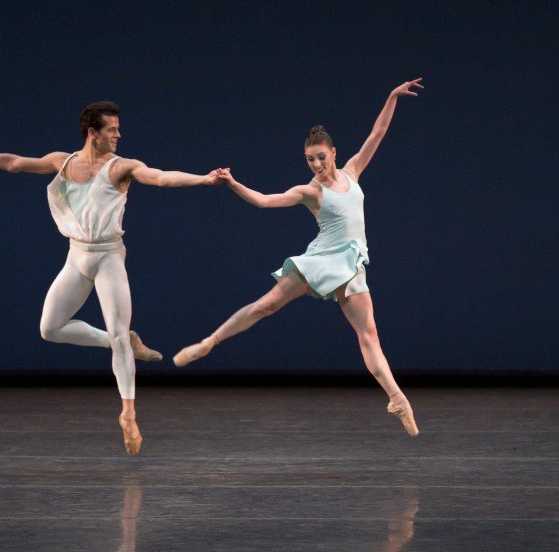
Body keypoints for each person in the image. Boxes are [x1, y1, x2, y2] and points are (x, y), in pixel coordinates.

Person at [0, 101, 219, 455]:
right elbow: (13, 163)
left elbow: (160, 177)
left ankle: (128, 415)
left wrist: (204, 178)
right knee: (50, 328)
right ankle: (124, 342)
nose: (118, 135)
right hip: (77, 256)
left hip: (108, 257)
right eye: (111, 130)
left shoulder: (121, 168)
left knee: (117, 332)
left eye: (118, 129)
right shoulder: (63, 161)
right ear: (93, 133)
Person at [173, 79, 424, 437]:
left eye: (321, 157)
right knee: (266, 305)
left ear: (334, 153)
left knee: (369, 334)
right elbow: (262, 201)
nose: (317, 165)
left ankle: (397, 397)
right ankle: (208, 343)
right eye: (310, 160)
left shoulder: (352, 172)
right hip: (322, 259)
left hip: (351, 265)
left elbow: (378, 132)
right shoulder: (310, 191)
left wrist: (392, 96)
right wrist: (232, 183)